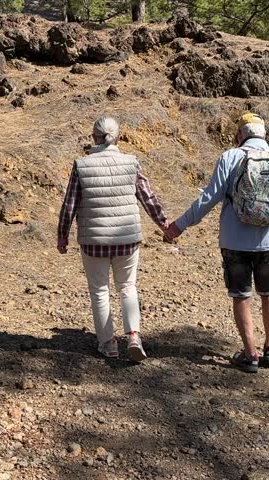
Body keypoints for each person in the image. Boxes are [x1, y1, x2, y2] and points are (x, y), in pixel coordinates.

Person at [165, 113, 269, 373]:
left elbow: (208, 199)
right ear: (263, 134)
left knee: (241, 295)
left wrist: (178, 226)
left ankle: (250, 353)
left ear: (240, 134)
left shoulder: (230, 157)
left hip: (236, 240)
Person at [57, 116, 169, 362]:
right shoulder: (131, 162)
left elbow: (70, 205)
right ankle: (134, 337)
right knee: (127, 286)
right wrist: (164, 224)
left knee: (100, 290)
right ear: (118, 136)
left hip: (93, 240)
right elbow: (147, 197)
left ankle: (108, 344)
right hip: (127, 238)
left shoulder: (82, 165)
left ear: (93, 137)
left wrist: (62, 236)